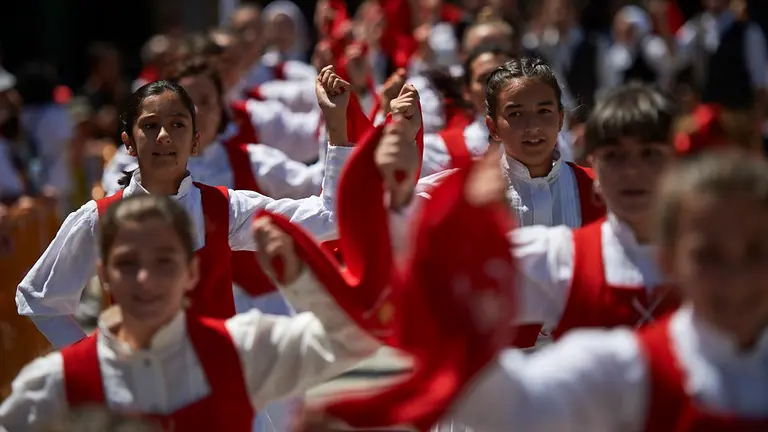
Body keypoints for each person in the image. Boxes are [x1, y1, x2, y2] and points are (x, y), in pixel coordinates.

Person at [300, 149, 768, 432]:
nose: (736, 278)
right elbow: (510, 405)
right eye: (708, 256)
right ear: (666, 257)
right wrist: (454, 233)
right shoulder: (625, 367)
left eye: (756, 252)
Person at [16, 74, 352, 349]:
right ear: (128, 143)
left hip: (222, 402)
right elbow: (39, 300)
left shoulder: (226, 208)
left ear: (195, 140)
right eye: (149, 126)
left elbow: (329, 219)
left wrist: (337, 127)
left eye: (177, 125)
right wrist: (97, 366)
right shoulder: (99, 218)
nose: (163, 137)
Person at [0, 194, 379, 431]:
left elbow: (352, 341)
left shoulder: (243, 349)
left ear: (191, 272)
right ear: (105, 275)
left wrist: (298, 278)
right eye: (128, 263)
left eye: (164, 262)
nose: (146, 279)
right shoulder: (57, 383)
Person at [510, 84, 681, 348]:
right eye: (615, 156)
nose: (632, 171)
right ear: (594, 166)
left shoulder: (722, 254)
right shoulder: (558, 257)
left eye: (650, 154)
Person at [414, 56, 604, 229]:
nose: (533, 126)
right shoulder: (461, 192)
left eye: (544, 111)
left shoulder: (598, 188)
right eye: (516, 114)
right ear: (493, 127)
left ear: (560, 119)